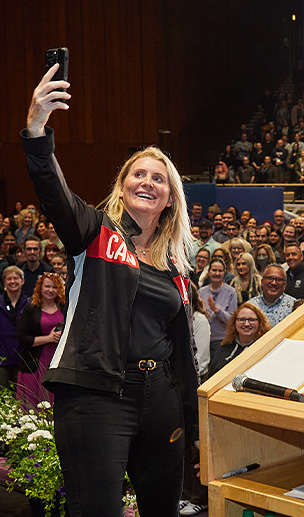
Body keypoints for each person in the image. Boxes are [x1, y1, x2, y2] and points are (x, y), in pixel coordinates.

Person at [22, 66, 199, 516]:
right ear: (123, 187)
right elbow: (54, 194)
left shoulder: (178, 269)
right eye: (138, 174)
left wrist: (192, 421)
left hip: (160, 397)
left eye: (159, 179)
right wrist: (37, 129)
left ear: (170, 198)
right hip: (97, 394)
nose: (148, 182)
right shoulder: (96, 233)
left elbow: (183, 356)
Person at [17, 272, 65, 410]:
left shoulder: (65, 308)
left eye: (54, 287)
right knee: (32, 407)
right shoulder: (30, 309)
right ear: (40, 288)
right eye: (47, 286)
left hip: (56, 363)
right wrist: (49, 339)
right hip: (34, 364)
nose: (50, 290)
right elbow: (22, 338)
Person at [208, 303, 271, 377]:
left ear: (259, 323)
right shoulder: (222, 350)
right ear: (234, 323)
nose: (247, 324)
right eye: (242, 319)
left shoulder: (265, 351)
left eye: (251, 320)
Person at [199, 258, 238, 359]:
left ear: (224, 273)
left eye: (220, 271)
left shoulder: (231, 292)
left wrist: (217, 310)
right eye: (214, 270)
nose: (217, 273)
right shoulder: (201, 292)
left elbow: (231, 320)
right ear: (208, 272)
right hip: (203, 339)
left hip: (221, 340)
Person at [0, 266, 29, 388]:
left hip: (22, 359)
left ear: (22, 281)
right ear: (4, 282)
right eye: (9, 279)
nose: (12, 281)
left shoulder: (30, 304)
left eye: (16, 278)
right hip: (1, 359)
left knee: (20, 399)